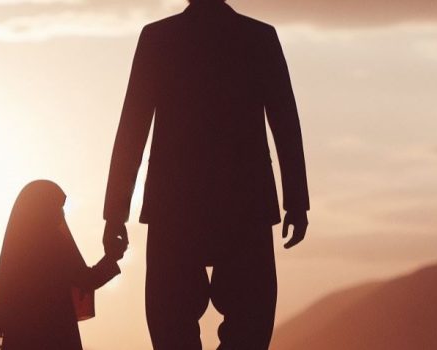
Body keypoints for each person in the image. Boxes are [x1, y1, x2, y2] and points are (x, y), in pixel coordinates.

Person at [102, 0, 310, 348]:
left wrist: (115, 214)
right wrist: (296, 203)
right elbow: (286, 124)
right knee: (251, 324)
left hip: (175, 206)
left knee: (170, 324)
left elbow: (131, 130)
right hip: (246, 205)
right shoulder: (258, 37)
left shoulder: (159, 38)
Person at [0, 180, 127, 350]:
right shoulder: (54, 243)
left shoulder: (19, 246)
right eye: (57, 207)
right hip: (55, 334)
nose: (61, 214)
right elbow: (85, 279)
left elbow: (4, 283)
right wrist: (112, 258)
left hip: (21, 334)